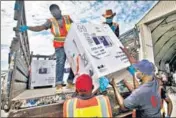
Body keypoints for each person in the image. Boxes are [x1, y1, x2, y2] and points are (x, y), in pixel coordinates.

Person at [19, 4, 74, 92]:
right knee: (60, 63)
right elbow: (40, 27)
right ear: (51, 14)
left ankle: (70, 82)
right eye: (53, 12)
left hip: (71, 44)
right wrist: (28, 27)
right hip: (59, 45)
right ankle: (59, 85)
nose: (55, 13)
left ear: (60, 10)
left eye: (56, 11)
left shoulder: (67, 18)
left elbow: (75, 28)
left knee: (74, 62)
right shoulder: (50, 21)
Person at [110, 47, 162, 118]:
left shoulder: (140, 93)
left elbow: (123, 106)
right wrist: (127, 53)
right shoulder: (155, 81)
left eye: (138, 69)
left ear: (143, 74)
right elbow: (136, 63)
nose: (136, 70)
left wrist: (114, 87)